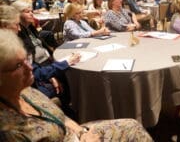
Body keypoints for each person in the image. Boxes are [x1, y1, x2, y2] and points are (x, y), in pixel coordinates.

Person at [0, 29, 153, 142]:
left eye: (26, 60)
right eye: (19, 65)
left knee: (133, 125)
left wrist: (81, 132)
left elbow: (61, 117)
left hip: (77, 135)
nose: (30, 68)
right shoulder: (9, 131)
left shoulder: (26, 92)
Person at [1, 3, 80, 117]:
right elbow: (31, 72)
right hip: (28, 87)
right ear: (3, 26)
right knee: (66, 78)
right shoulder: (9, 48)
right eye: (16, 25)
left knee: (63, 77)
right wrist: (62, 65)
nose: (19, 29)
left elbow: (31, 65)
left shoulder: (26, 31)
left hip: (38, 72)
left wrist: (50, 74)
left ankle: (68, 110)